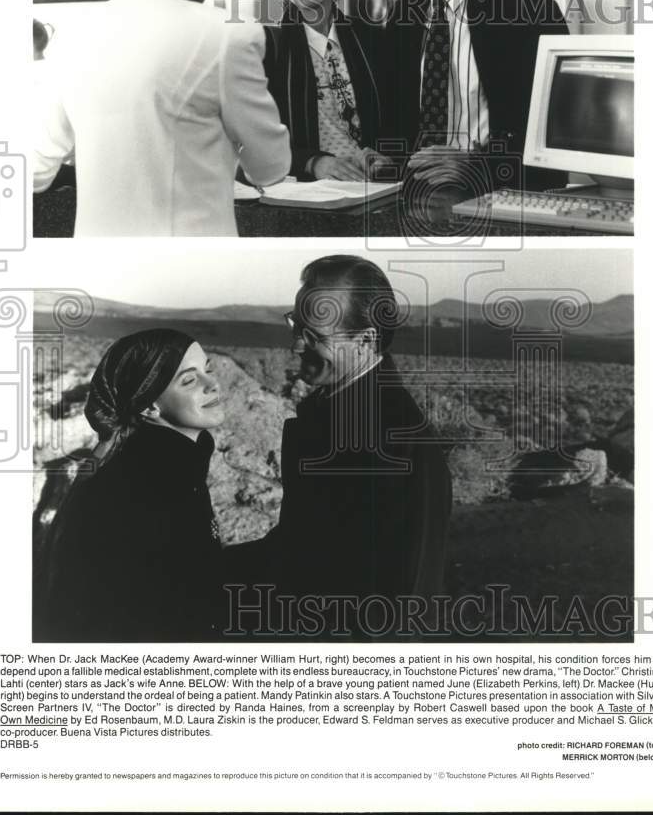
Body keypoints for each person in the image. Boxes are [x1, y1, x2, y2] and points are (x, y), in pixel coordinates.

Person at [34, 0, 290, 235]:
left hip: (96, 265)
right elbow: (271, 167)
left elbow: (37, 170)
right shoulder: (228, 36)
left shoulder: (73, 34)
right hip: (193, 264)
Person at [226, 255, 452, 639]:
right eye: (296, 325)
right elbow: (304, 544)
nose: (296, 345)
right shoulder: (336, 407)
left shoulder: (392, 437)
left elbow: (401, 595)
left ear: (365, 340)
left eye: (315, 335)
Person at [34, 329, 225, 642]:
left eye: (208, 369)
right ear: (149, 407)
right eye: (190, 380)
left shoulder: (176, 459)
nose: (212, 383)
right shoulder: (150, 484)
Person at [385, 0, 569, 192]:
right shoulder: (404, 11)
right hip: (414, 197)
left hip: (502, 198)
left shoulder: (527, 5)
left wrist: (476, 165)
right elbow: (396, 121)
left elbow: (556, 131)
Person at [257, 0, 390, 180]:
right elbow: (254, 142)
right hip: (308, 196)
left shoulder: (371, 39)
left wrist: (385, 155)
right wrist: (314, 163)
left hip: (372, 188)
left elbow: (397, 122)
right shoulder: (267, 49)